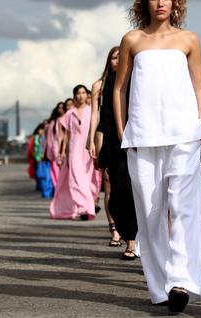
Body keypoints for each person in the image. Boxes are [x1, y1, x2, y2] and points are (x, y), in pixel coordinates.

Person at [114, 0, 201, 313]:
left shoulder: (189, 40)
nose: (160, 3)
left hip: (184, 134)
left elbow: (200, 85)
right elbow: (119, 88)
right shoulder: (132, 40)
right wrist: (125, 130)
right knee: (151, 213)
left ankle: (181, 281)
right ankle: (160, 288)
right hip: (142, 136)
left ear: (175, 2)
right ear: (145, 1)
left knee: (182, 208)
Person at [97, 46, 139, 261]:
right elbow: (104, 117)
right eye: (114, 56)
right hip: (115, 143)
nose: (118, 60)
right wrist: (100, 145)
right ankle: (125, 231)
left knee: (132, 193)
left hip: (139, 142)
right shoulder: (110, 82)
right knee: (117, 197)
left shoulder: (139, 78)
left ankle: (132, 242)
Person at [87, 46, 123, 248]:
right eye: (114, 58)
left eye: (120, 57)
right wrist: (90, 140)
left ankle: (128, 227)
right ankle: (114, 229)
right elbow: (94, 114)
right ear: (109, 61)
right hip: (104, 131)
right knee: (107, 182)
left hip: (123, 132)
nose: (117, 61)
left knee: (124, 182)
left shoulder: (128, 82)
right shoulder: (98, 85)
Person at [50, 85, 96, 220]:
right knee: (74, 178)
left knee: (87, 179)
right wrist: (63, 151)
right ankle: (84, 207)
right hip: (74, 148)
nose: (81, 95)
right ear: (75, 95)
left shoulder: (92, 111)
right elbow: (65, 135)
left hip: (88, 149)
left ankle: (85, 205)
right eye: (78, 93)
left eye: (83, 92)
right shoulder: (70, 114)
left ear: (87, 95)